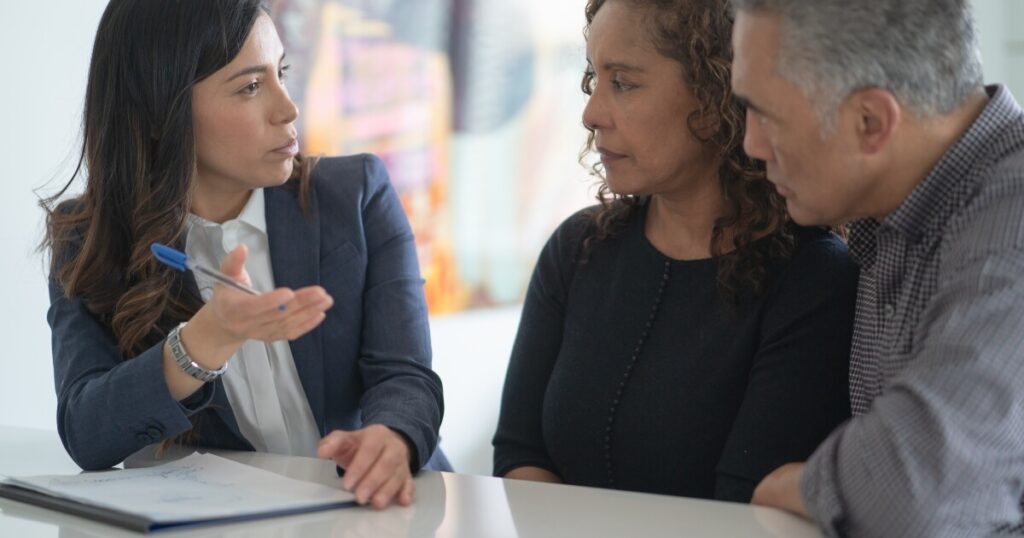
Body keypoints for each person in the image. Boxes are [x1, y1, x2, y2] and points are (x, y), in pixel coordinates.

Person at [41, 0, 447, 509]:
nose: (288, 108)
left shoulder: (358, 194)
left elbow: (406, 375)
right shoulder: (86, 238)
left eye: (282, 73)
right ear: (157, 113)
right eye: (251, 87)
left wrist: (393, 438)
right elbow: (87, 435)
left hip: (375, 510)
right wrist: (206, 340)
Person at [491, 0, 857, 502]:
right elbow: (519, 454)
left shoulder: (813, 279)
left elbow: (744, 505)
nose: (591, 113)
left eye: (622, 82)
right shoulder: (577, 249)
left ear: (716, 93)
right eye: (592, 79)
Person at [730, 0, 1024, 535]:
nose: (750, 144)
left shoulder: (1011, 233)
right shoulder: (898, 212)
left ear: (871, 123)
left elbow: (913, 493)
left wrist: (803, 483)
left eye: (765, 114)